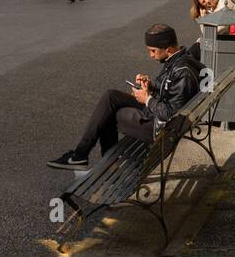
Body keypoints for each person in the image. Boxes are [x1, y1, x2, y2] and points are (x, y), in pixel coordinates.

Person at [46, 24, 203, 170]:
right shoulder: (178, 60)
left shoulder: (182, 71)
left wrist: (147, 99)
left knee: (108, 114)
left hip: (162, 128)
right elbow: (172, 94)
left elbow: (169, 114)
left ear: (168, 49)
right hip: (159, 112)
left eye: (153, 51)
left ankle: (105, 165)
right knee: (111, 96)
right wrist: (151, 88)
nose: (151, 55)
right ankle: (81, 155)